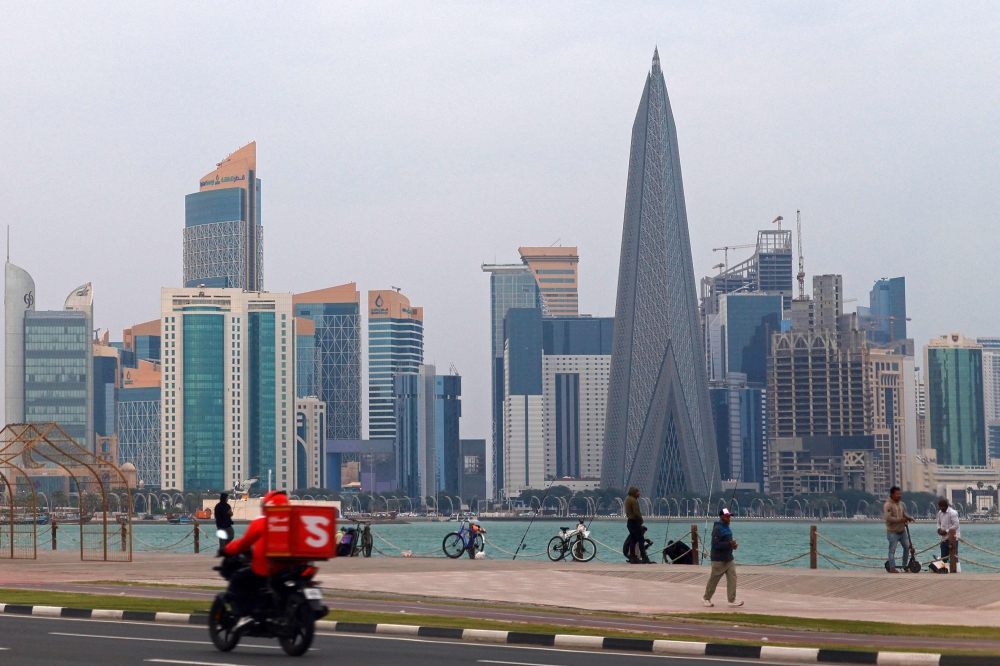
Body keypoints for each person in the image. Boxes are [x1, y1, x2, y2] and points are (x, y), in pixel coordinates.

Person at [222, 491, 290, 620]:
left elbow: (243, 544)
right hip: (290, 568)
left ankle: (243, 613)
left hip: (266, 568)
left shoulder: (261, 522)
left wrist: (227, 549)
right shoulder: (294, 521)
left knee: (239, 577)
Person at [703, 508, 742, 607]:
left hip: (729, 559)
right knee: (714, 580)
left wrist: (733, 546)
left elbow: (728, 542)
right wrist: (729, 544)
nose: (729, 518)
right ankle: (706, 598)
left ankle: (731, 600)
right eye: (727, 516)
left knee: (733, 578)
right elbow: (715, 544)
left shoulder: (727, 527)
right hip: (719, 560)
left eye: (729, 516)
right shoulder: (717, 529)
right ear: (721, 517)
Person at [884, 486, 913, 573]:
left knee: (907, 547)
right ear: (892, 494)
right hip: (892, 532)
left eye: (900, 494)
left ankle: (905, 565)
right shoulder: (888, 505)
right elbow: (888, 518)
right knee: (892, 550)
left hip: (902, 531)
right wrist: (900, 520)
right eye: (897, 494)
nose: (899, 495)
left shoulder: (900, 504)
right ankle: (892, 567)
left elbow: (903, 513)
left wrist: (909, 518)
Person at [624, 486, 650, 564]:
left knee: (633, 540)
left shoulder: (628, 499)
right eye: (637, 491)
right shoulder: (634, 500)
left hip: (629, 522)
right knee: (641, 540)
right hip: (635, 522)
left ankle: (633, 557)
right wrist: (640, 520)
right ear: (634, 492)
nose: (639, 493)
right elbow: (636, 512)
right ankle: (644, 557)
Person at [936, 498, 960, 566]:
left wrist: (946, 531)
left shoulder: (953, 513)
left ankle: (955, 568)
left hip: (953, 538)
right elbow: (938, 523)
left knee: (954, 556)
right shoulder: (940, 513)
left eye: (942, 508)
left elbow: (956, 525)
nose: (941, 509)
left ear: (946, 506)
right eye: (940, 507)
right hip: (943, 539)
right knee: (944, 556)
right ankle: (945, 568)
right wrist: (939, 529)